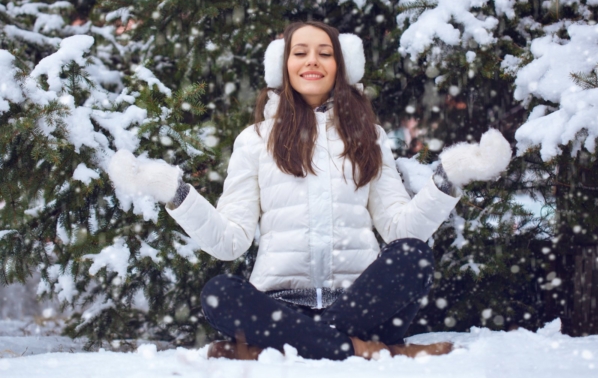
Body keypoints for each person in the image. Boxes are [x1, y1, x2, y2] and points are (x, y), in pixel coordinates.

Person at [108, 21, 511, 361]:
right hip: (281, 306)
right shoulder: (255, 140)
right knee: (219, 293)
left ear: (341, 65)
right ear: (284, 66)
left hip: (361, 307)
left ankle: (301, 344)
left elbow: (399, 229)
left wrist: (449, 179)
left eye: (324, 52)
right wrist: (174, 193)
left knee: (414, 256)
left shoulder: (370, 136)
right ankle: (359, 349)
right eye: (300, 52)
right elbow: (230, 241)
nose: (312, 61)